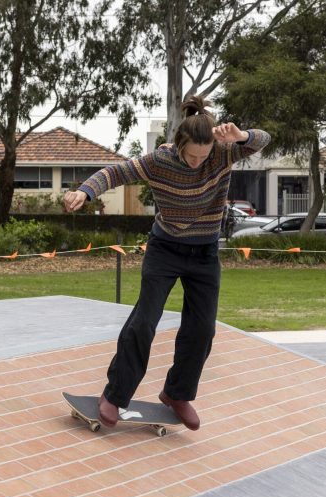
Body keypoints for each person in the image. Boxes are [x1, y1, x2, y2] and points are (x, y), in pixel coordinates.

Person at [62, 95, 271, 430]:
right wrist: (86, 191)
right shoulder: (160, 160)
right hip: (165, 250)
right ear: (179, 145)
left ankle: (177, 394)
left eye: (204, 157)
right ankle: (115, 395)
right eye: (192, 156)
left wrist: (241, 136)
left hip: (204, 253)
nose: (197, 163)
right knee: (144, 321)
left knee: (202, 329)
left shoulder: (222, 153)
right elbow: (116, 172)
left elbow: (264, 139)